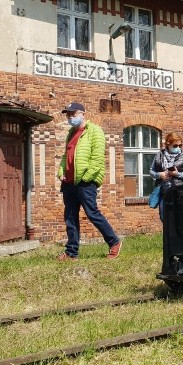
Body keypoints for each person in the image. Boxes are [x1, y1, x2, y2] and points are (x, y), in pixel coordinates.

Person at [57, 102, 121, 260]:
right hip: (69, 182)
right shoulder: (71, 133)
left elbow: (98, 158)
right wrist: (61, 172)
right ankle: (71, 252)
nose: (71, 117)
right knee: (70, 217)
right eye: (68, 115)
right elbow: (66, 156)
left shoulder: (95, 131)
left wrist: (86, 177)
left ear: (83, 114)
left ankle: (114, 242)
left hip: (85, 181)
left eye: (74, 114)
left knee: (92, 213)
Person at [149, 132, 183, 208]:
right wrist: (159, 175)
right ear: (168, 144)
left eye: (180, 145)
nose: (178, 148)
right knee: (165, 216)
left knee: (177, 216)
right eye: (175, 145)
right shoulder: (159, 155)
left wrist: (177, 174)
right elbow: (151, 171)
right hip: (163, 192)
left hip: (179, 192)